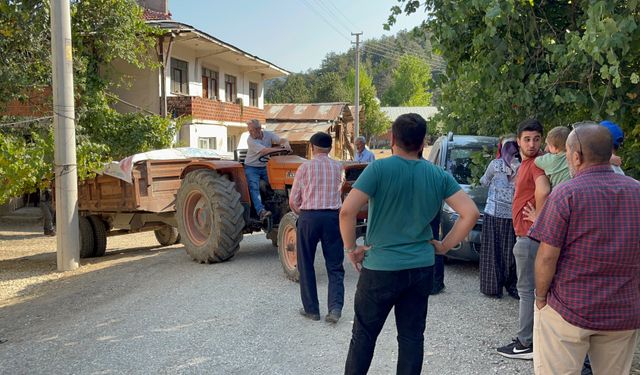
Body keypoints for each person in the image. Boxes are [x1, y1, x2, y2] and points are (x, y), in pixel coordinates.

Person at [340, 113, 479, 374]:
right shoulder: (438, 175)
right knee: (411, 338)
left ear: (392, 138)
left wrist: (351, 250)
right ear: (423, 141)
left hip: (380, 268)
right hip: (420, 268)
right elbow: (469, 213)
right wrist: (444, 246)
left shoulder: (378, 169)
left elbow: (346, 212)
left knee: (364, 336)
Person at [529, 122, 640, 375]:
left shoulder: (566, 193)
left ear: (576, 156)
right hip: (623, 310)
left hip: (569, 307)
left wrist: (541, 298)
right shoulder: (637, 191)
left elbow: (547, 257)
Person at [496, 119, 550, 360]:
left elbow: (544, 190)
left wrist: (539, 216)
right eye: (527, 139)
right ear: (517, 141)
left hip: (530, 237)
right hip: (529, 236)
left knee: (526, 290)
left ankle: (525, 343)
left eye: (536, 139)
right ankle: (531, 339)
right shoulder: (529, 163)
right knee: (533, 290)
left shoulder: (536, 164)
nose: (531, 144)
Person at [289, 132, 345, 323]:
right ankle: (335, 308)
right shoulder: (339, 167)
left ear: (312, 147)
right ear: (330, 148)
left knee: (306, 264)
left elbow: (293, 200)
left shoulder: (304, 167)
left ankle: (312, 310)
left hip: (309, 217)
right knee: (335, 265)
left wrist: (302, 214)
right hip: (332, 218)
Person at [479, 137, 519, 298]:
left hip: (493, 214)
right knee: (512, 253)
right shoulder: (522, 166)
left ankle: (492, 289)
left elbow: (484, 182)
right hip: (513, 216)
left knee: (492, 252)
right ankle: (513, 287)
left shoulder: (495, 165)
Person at [244, 119, 291, 220]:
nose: (250, 133)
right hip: (252, 167)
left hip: (265, 166)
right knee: (254, 187)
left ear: (259, 129)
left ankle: (281, 205)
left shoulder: (268, 135)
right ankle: (261, 211)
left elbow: (281, 140)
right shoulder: (250, 140)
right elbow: (265, 151)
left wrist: (286, 142)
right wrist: (282, 149)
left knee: (277, 183)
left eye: (252, 130)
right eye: (249, 130)